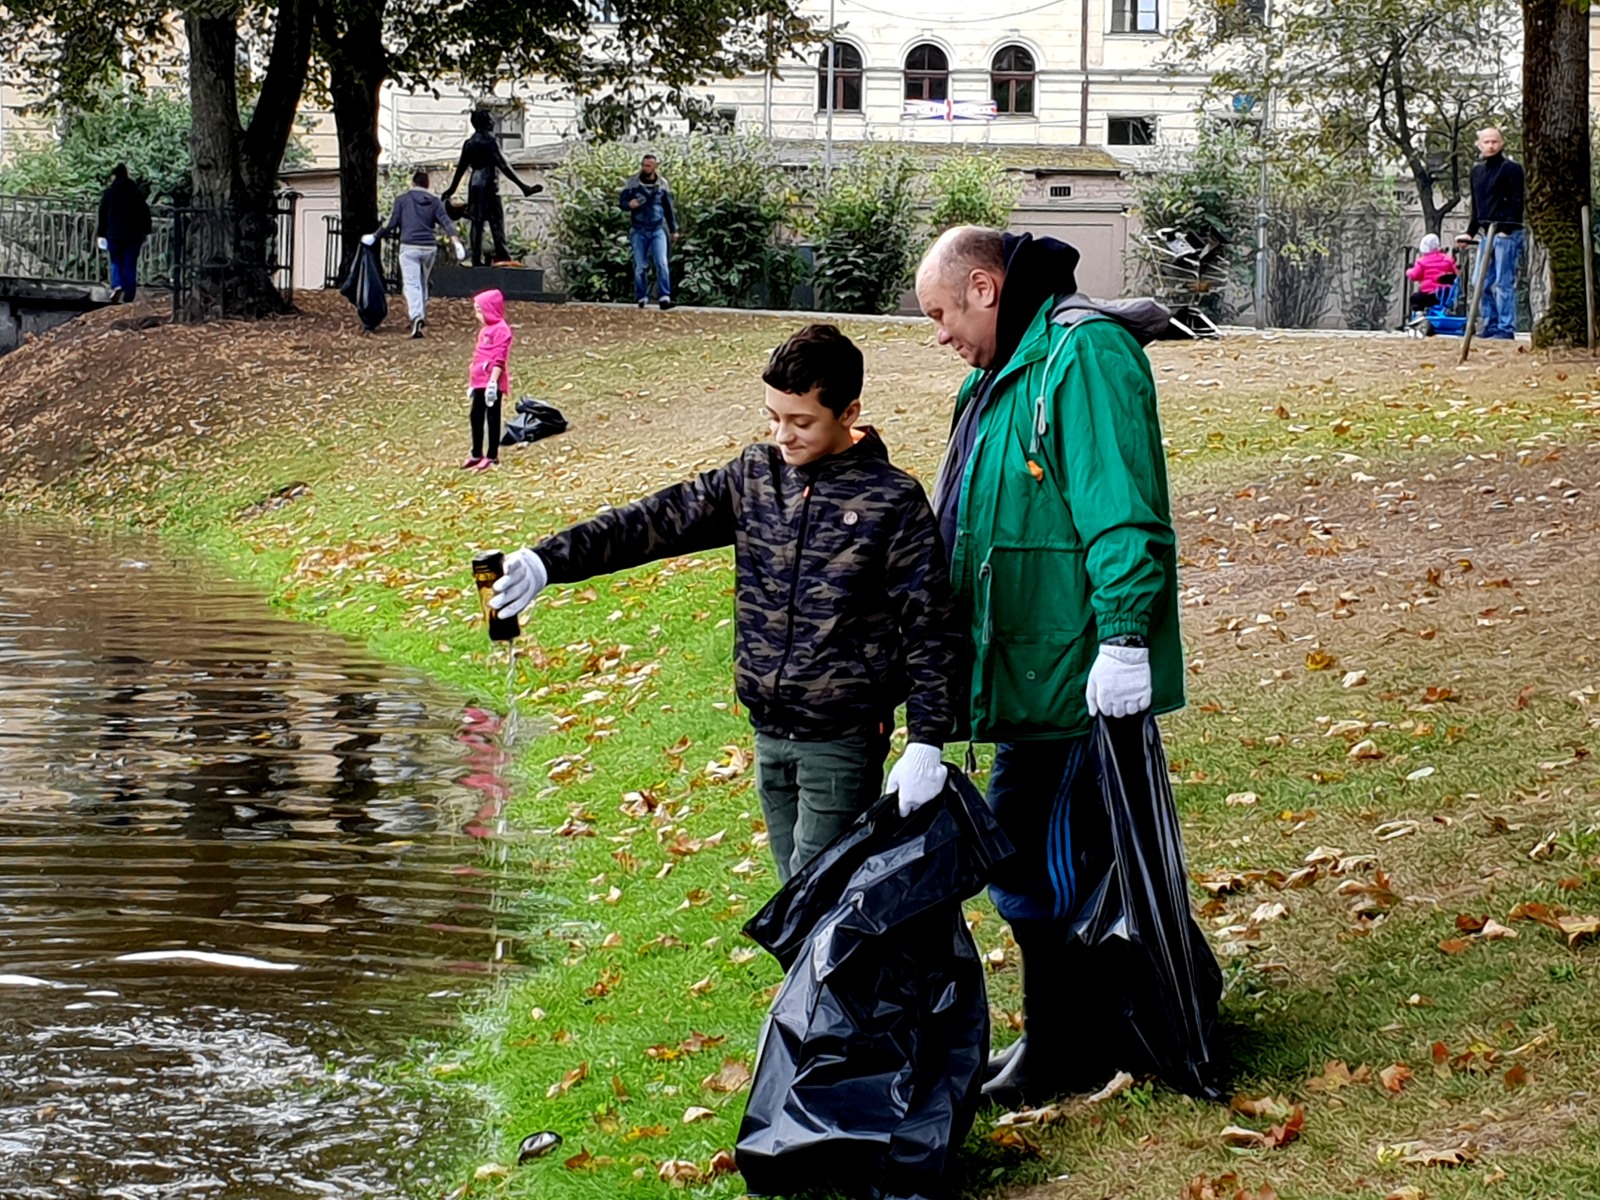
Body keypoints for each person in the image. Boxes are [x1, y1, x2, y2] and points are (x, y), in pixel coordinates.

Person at [487, 324, 961, 880]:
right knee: (795, 893)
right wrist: (547, 562)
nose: (783, 435)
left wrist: (926, 741)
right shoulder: (755, 476)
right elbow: (654, 521)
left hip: (841, 738)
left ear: (848, 413)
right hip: (769, 730)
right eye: (773, 417)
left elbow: (930, 625)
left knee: (816, 897)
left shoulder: (891, 500)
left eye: (801, 421)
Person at [912, 226, 1186, 1106]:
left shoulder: (1082, 355)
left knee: (1037, 857)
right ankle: (1081, 1029)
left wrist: (1125, 637)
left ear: (985, 289)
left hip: (1074, 676)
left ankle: (1066, 1046)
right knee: (1043, 854)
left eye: (942, 314)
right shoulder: (1000, 376)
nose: (941, 335)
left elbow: (1122, 507)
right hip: (1029, 670)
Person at [364, 170, 467, 339]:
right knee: (422, 282)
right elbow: (446, 222)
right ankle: (421, 313)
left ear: (413, 183)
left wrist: (375, 236)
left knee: (412, 284)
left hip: (409, 247)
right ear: (427, 185)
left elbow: (392, 223)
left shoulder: (402, 200)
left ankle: (416, 316)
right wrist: (456, 243)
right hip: (429, 248)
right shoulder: (434, 202)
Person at [443, 110, 542, 268]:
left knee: (477, 222)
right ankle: (503, 255)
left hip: (474, 184)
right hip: (488, 183)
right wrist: (523, 186)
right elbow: (503, 165)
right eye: (490, 119)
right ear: (484, 122)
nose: (493, 122)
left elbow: (461, 168)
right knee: (496, 220)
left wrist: (451, 189)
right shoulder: (490, 141)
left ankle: (476, 259)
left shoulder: (469, 143)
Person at [1456, 126, 1524, 340]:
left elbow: (1517, 200)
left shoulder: (1511, 169)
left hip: (1506, 234)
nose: (1491, 145)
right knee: (1480, 281)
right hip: (1487, 234)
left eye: (1495, 141)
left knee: (1503, 282)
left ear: (1501, 143)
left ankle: (1506, 327)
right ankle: (1490, 324)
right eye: (1486, 142)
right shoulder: (1477, 172)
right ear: (1479, 145)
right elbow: (1477, 205)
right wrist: (1470, 232)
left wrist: (1507, 228)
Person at [618, 154, 679, 310]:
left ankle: (664, 297)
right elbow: (622, 203)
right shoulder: (632, 183)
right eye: (643, 165)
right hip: (639, 229)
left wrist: (673, 230)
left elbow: (669, 209)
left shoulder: (662, 184)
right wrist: (629, 204)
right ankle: (641, 297)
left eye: (648, 166)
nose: (645, 168)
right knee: (640, 266)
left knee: (662, 262)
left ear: (655, 167)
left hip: (657, 228)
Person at [465, 289, 512, 471]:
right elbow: (479, 356)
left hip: (492, 381)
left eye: (479, 311)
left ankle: (492, 455)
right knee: (475, 415)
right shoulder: (484, 331)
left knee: (492, 416)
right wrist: (472, 381)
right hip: (479, 380)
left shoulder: (501, 330)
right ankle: (476, 452)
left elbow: (499, 357)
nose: (477, 315)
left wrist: (493, 381)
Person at [95, 164, 152, 303]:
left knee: (116, 261)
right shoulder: (136, 192)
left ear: (114, 176)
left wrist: (101, 234)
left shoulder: (110, 193)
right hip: (134, 234)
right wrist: (146, 230)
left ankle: (117, 284)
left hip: (114, 233)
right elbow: (145, 212)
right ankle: (129, 294)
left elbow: (103, 214)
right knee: (130, 263)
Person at [1406, 233, 1457, 318]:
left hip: (1429, 295)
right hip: (1446, 295)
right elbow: (1454, 273)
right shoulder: (1447, 259)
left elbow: (1415, 275)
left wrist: (1408, 271)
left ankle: (1419, 315)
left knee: (1415, 298)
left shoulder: (1422, 261)